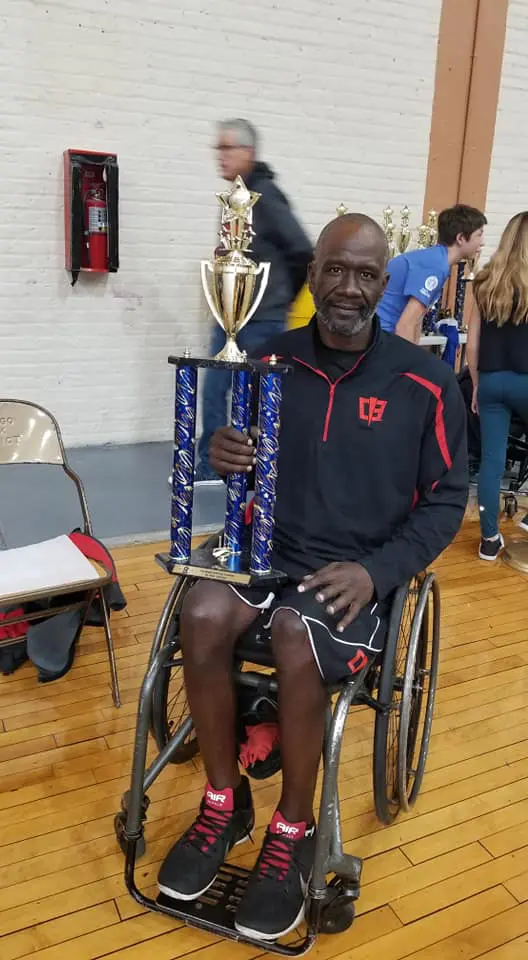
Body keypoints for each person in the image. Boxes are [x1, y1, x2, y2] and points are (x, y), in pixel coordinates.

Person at [158, 214, 468, 941]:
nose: (348, 288)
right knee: (201, 612)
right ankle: (223, 801)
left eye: (364, 274)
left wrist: (379, 570)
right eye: (335, 269)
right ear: (315, 273)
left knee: (299, 632)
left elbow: (448, 498)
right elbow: (224, 446)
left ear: (383, 284)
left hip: (350, 573)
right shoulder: (268, 360)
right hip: (270, 551)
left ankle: (292, 831)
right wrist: (221, 449)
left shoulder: (425, 382)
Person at [194, 118, 313, 481]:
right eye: (219, 148)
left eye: (228, 149)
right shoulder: (235, 196)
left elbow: (302, 250)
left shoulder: (266, 197)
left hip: (261, 318)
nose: (221, 157)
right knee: (214, 390)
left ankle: (252, 468)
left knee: (257, 398)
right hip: (230, 315)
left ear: (248, 152)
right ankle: (209, 464)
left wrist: (278, 298)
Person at [466, 212, 528, 560]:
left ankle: (489, 541)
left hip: (491, 381)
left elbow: (472, 344)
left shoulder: (485, 280)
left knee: (491, 461)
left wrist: (476, 385)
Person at [377, 204, 487, 343]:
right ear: (460, 238)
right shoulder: (435, 266)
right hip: (381, 339)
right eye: (479, 235)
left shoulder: (436, 260)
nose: (482, 242)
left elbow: (416, 320)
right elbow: (404, 326)